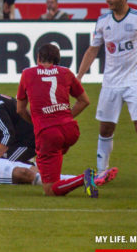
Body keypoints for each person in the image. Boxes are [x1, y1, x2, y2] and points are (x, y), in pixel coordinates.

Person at [77, 0, 137, 187]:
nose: (107, 0)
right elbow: (92, 49)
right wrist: (78, 76)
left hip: (134, 81)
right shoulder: (103, 21)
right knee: (105, 129)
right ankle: (102, 172)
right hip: (110, 83)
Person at [17, 43, 110, 197]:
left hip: (48, 133)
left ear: (38, 58)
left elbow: (20, 109)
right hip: (70, 130)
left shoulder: (27, 74)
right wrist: (64, 117)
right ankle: (53, 170)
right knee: (51, 154)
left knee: (50, 190)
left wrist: (37, 123)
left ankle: (85, 178)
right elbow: (84, 101)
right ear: (57, 59)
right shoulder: (66, 72)